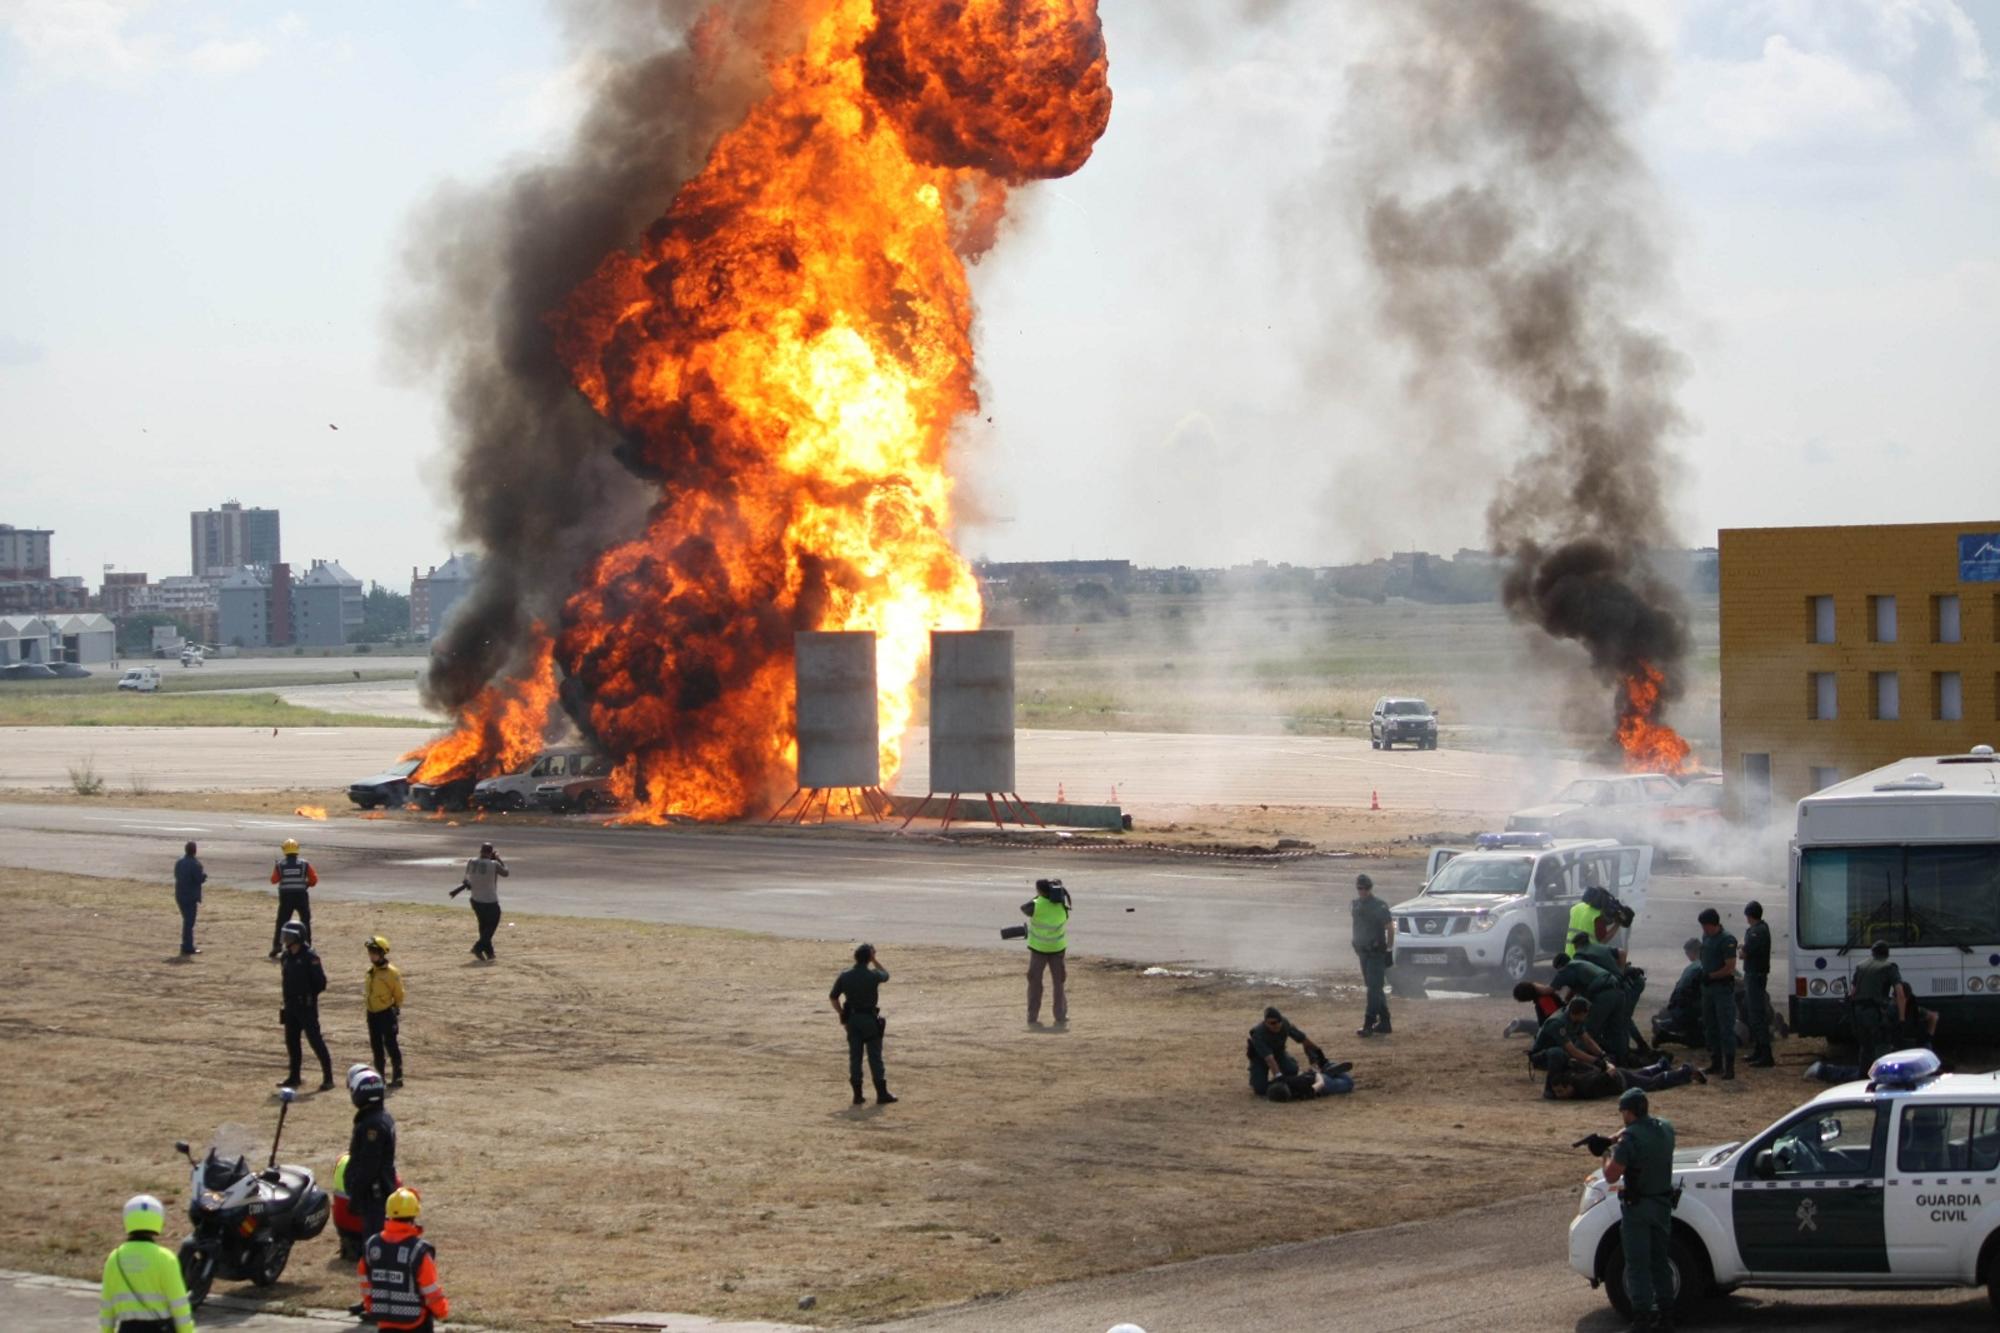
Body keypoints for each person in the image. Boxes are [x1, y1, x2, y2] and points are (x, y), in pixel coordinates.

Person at [99, 1193, 195, 1333]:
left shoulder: (115, 1258)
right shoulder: (165, 1258)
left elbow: (107, 1306)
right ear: (158, 1219)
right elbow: (179, 1305)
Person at [357, 1188, 448, 1333]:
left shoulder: (371, 1245)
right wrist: (442, 1311)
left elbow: (365, 1282)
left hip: (385, 1321)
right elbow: (430, 1289)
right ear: (414, 1214)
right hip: (416, 1323)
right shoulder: (418, 1251)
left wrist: (370, 1306)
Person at [829, 943, 896, 1106]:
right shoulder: (872, 975)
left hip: (852, 1020)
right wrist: (875, 960)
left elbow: (833, 997)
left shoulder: (845, 975)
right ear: (869, 958)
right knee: (875, 1056)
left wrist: (841, 1014)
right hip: (869, 1019)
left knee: (855, 1057)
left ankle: (857, 1095)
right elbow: (886, 975)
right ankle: (882, 1093)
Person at [277, 922, 333, 1091]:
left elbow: (320, 983)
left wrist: (309, 997)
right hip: (291, 1005)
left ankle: (328, 1078)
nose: (286, 939)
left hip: (306, 1006)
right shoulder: (286, 957)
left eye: (289, 936)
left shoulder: (310, 957)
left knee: (315, 1041)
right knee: (291, 1042)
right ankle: (294, 1077)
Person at [347, 1068, 398, 1242]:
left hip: (375, 1195)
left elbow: (369, 1165)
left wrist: (356, 1196)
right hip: (381, 1191)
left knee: (375, 1242)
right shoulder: (381, 1117)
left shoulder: (372, 1126)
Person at [1021, 878, 1071, 1028]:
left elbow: (1024, 908)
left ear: (1040, 892)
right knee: (1059, 983)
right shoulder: (1063, 905)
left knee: (1035, 983)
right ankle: (1061, 1015)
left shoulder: (1036, 905)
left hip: (1039, 950)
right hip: (1057, 949)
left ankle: (1032, 1016)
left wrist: (1039, 897)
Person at [1550, 951, 1622, 1052]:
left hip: (1603, 994)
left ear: (1560, 966)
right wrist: (1568, 1000)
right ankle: (1620, 1056)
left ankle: (1580, 1057)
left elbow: (1549, 989)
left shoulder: (1568, 969)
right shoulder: (1580, 965)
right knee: (1616, 1027)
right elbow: (1575, 990)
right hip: (1617, 990)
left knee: (1588, 1028)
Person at [1351, 873, 1395, 1038]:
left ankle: (1369, 1023)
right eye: (1360, 888)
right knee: (1375, 988)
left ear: (1370, 888)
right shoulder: (1355, 905)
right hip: (1363, 951)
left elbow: (1390, 928)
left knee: (1373, 989)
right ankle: (1384, 1022)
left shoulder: (1379, 906)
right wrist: (1355, 943)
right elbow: (1356, 926)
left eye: (1365, 888)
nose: (1363, 891)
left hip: (1376, 952)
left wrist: (1389, 950)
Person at [1697, 907, 1738, 1080]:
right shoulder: (1706, 937)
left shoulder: (1727, 940)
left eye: (1706, 926)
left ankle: (1729, 1066)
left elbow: (1730, 967)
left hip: (1722, 989)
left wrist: (1711, 976)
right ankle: (1715, 1062)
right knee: (1710, 1026)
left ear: (1714, 924)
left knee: (1725, 1027)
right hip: (1708, 990)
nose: (1704, 930)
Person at [1547, 1057, 1706, 1100]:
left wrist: (1608, 1066)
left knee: (1652, 1084)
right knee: (1640, 1075)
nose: (1559, 1096)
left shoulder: (1586, 1085)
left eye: (1561, 1092)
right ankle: (1660, 1065)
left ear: (1569, 1086)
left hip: (1621, 1081)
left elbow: (1608, 1073)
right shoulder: (1573, 1079)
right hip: (1621, 1076)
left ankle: (1684, 1071)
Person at [1247, 1007, 1324, 1097]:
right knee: (1260, 1089)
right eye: (1272, 1023)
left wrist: (1318, 1052)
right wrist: (1279, 1077)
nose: (1277, 1025)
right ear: (1265, 1023)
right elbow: (1269, 1058)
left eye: (1279, 1022)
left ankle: (1280, 1080)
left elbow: (1303, 1039)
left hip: (1278, 1053)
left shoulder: (1285, 1024)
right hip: (1260, 1058)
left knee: (1292, 1070)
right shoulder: (1258, 1033)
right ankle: (1259, 1079)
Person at [1851, 940, 1905, 1066]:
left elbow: (1852, 992)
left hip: (1858, 1013)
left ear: (1872, 953)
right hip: (1876, 1013)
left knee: (1865, 1047)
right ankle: (1884, 1073)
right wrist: (1902, 1019)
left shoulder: (1861, 966)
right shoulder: (1889, 967)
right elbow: (1900, 993)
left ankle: (1863, 1074)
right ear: (1887, 954)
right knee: (1882, 1045)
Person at [452, 841, 508, 960]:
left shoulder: (471, 862)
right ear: (490, 853)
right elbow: (506, 873)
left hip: (476, 900)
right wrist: (499, 859)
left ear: (481, 851)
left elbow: (467, 881)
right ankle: (478, 947)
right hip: (490, 900)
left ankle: (489, 952)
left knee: (483, 926)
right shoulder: (494, 864)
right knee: (492, 925)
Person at [363, 936, 405, 1087]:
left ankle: (397, 1076)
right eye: (370, 952)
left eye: (374, 952)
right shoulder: (370, 971)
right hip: (372, 1014)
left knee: (391, 1044)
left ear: (382, 953)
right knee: (376, 1046)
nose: (371, 955)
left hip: (386, 1014)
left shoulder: (391, 973)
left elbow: (399, 993)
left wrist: (395, 1008)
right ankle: (379, 1075)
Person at [268, 838, 318, 958]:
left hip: (286, 897)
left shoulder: (280, 865)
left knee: (282, 921)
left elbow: (273, 880)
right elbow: (314, 879)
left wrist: (277, 869)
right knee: (305, 921)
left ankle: (277, 946)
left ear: (284, 850)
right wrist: (307, 884)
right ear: (297, 849)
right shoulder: (304, 864)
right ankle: (307, 945)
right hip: (301, 896)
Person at [1652, 939, 1707, 1048]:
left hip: (1678, 1008)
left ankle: (1663, 1025)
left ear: (1690, 952)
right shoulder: (1702, 967)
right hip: (1688, 1010)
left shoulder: (1691, 968)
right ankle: (1665, 1033)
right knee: (1701, 1040)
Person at [1741, 901, 1774, 1067]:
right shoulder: (1762, 928)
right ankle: (1759, 1050)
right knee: (1754, 1013)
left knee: (1757, 1015)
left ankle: (1765, 1053)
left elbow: (1744, 953)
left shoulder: (1756, 932)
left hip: (1755, 976)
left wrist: (1742, 950)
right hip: (1756, 975)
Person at [1262, 1054, 1357, 1102]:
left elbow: (1320, 1084)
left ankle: (1328, 1069)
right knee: (1327, 1074)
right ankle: (1328, 1067)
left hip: (1322, 1082)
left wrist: (1317, 1074)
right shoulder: (1280, 1080)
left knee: (1349, 1083)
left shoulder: (1301, 1093)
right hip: (1306, 1076)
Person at [173, 841, 206, 957]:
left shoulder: (179, 862)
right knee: (189, 922)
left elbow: (176, 875)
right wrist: (203, 876)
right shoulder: (195, 864)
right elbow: (198, 879)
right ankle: (187, 946)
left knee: (187, 920)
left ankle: (187, 944)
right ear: (194, 851)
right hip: (190, 896)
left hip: (180, 894)